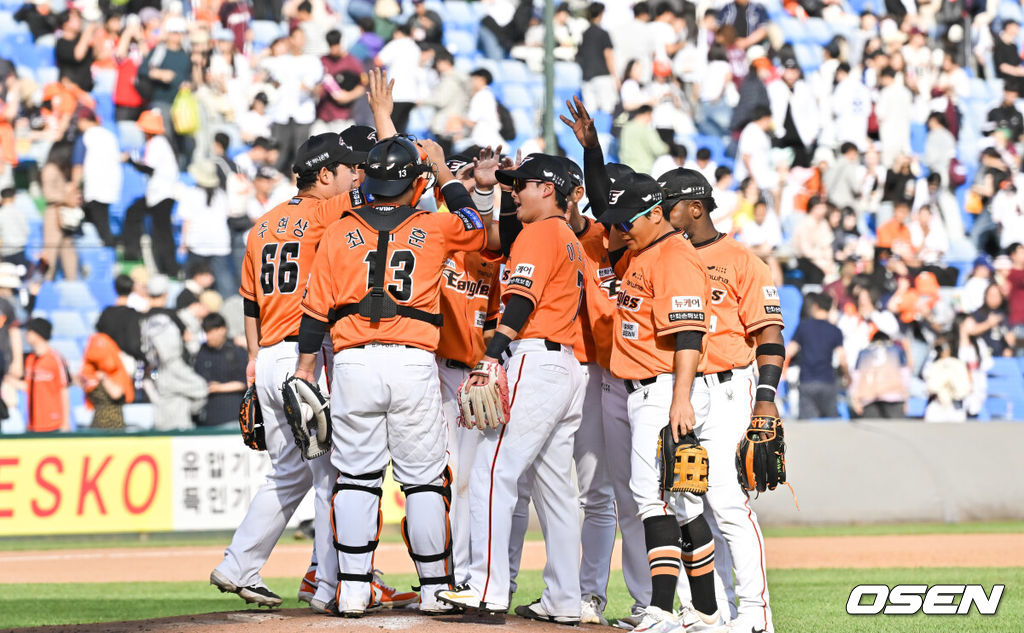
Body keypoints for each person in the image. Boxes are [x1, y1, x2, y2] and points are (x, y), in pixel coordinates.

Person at [296, 135, 486, 616]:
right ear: (415, 183)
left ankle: (355, 589)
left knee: (356, 477)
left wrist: (303, 370)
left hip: (354, 360)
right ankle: (433, 588)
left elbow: (315, 310)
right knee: (423, 481)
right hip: (411, 360)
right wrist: (445, 176)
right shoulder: (434, 225)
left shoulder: (339, 230)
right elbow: (476, 226)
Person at [212, 131, 361, 612]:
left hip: (271, 354)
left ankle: (238, 565)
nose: (352, 176)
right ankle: (330, 586)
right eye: (344, 169)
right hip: (306, 357)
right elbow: (377, 192)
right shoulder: (327, 212)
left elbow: (249, 303)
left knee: (286, 473)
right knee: (333, 474)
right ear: (324, 175)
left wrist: (254, 362)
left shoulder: (261, 226)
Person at [436, 153, 586, 625]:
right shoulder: (567, 237)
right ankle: (564, 599)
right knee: (556, 490)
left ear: (548, 188)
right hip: (566, 367)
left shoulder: (541, 233)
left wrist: (489, 355)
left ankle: (485, 589)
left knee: (490, 472)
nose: (514, 191)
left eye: (521, 184)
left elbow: (520, 300)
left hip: (535, 360)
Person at [587, 170, 721, 632]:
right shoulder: (649, 251)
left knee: (653, 499)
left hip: (664, 388)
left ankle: (662, 611)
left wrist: (680, 399)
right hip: (651, 388)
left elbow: (689, 333)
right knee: (683, 504)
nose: (621, 228)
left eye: (629, 220)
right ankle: (705, 611)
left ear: (657, 214)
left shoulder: (674, 257)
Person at [658, 166, 782, 633]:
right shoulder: (666, 256)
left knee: (728, 502)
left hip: (730, 385)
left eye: (668, 205)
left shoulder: (743, 261)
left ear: (695, 207)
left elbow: (769, 336)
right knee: (684, 501)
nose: (661, 213)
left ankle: (755, 616)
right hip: (683, 389)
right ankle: (707, 611)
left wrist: (765, 399)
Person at [122, 109, 180, 276]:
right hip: (158, 195)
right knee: (135, 215)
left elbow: (148, 168)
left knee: (163, 234)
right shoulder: (161, 142)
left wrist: (131, 161)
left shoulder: (157, 143)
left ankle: (170, 268)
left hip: (161, 195)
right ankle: (136, 253)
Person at [138, 17, 193, 169]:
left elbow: (189, 78)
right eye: (174, 33)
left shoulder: (185, 54)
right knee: (165, 136)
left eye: (180, 33)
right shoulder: (159, 51)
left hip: (181, 104)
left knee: (184, 138)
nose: (177, 36)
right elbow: (143, 70)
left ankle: (181, 168)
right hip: (161, 100)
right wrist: (160, 74)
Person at [179, 160, 235, 299]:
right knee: (223, 281)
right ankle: (230, 309)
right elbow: (228, 213)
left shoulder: (190, 193)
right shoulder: (221, 194)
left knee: (193, 280)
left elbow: (186, 221)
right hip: (220, 242)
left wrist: (183, 243)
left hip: (197, 242)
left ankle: (191, 305)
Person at [786, 292, 848, 418]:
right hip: (828, 382)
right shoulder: (835, 330)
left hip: (807, 381)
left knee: (809, 427)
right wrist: (848, 375)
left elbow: (789, 351)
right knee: (832, 423)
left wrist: (781, 371)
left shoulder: (803, 327)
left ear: (814, 306)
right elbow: (842, 359)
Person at [72, 105, 121, 247]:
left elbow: (78, 166)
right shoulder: (109, 135)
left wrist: (74, 187)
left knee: (101, 229)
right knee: (101, 223)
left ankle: (108, 257)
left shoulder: (86, 136)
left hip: (94, 188)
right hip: (111, 186)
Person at [192, 313, 247, 427]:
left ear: (222, 329)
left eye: (212, 331)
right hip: (207, 418)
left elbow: (244, 383)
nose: (209, 336)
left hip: (233, 416)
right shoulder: (202, 352)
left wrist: (219, 388)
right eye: (206, 332)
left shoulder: (235, 350)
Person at [21, 318, 70, 433]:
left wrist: (65, 422)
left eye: (29, 331)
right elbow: (27, 387)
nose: (26, 334)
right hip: (33, 424)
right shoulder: (30, 359)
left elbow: (63, 390)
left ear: (38, 333)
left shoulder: (55, 358)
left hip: (53, 424)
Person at [40, 140, 79, 280]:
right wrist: (66, 197)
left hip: (64, 215)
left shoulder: (62, 170)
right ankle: (45, 284)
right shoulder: (50, 168)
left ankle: (72, 282)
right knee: (50, 251)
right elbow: (48, 194)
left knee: (68, 250)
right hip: (53, 214)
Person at [315, 30, 366, 135]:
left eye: (336, 45)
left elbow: (363, 85)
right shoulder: (323, 60)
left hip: (344, 116)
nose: (333, 49)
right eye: (331, 45)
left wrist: (348, 96)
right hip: (323, 115)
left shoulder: (352, 62)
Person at [849, 331, 910, 418]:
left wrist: (855, 400)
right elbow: (905, 376)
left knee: (872, 430)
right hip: (893, 397)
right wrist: (906, 399)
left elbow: (856, 378)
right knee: (895, 429)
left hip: (868, 398)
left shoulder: (864, 353)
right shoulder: (896, 350)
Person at [80, 331, 133, 429]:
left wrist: (104, 378)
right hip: (97, 423)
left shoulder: (117, 372)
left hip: (114, 424)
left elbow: (116, 394)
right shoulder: (91, 372)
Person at [577, 3, 617, 115]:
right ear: (600, 14)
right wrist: (615, 77)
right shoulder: (603, 33)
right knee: (607, 109)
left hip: (587, 77)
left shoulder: (584, 34)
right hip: (602, 76)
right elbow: (608, 55)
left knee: (589, 112)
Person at [95, 274, 144, 363]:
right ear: (132, 289)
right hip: (126, 363)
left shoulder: (106, 313)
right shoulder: (134, 315)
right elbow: (134, 344)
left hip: (108, 360)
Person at [55, 8, 97, 93]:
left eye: (79, 17)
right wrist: (88, 31)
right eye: (74, 18)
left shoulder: (82, 40)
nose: (79, 20)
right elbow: (78, 55)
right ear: (65, 23)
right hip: (70, 93)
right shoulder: (61, 43)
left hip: (87, 91)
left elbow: (97, 55)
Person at [0, 188, 30, 268]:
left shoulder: (1, 213)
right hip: (20, 249)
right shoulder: (20, 212)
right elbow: (26, 231)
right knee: (21, 275)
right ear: (14, 197)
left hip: (5, 251)